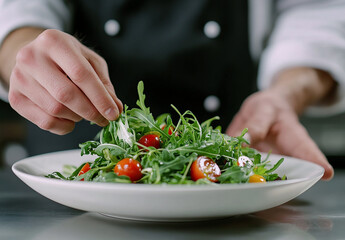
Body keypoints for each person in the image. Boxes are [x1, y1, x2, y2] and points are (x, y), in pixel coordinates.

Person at [0, 0, 342, 180]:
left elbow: (317, 10)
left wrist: (285, 94)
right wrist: (22, 51)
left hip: (230, 180)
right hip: (75, 180)